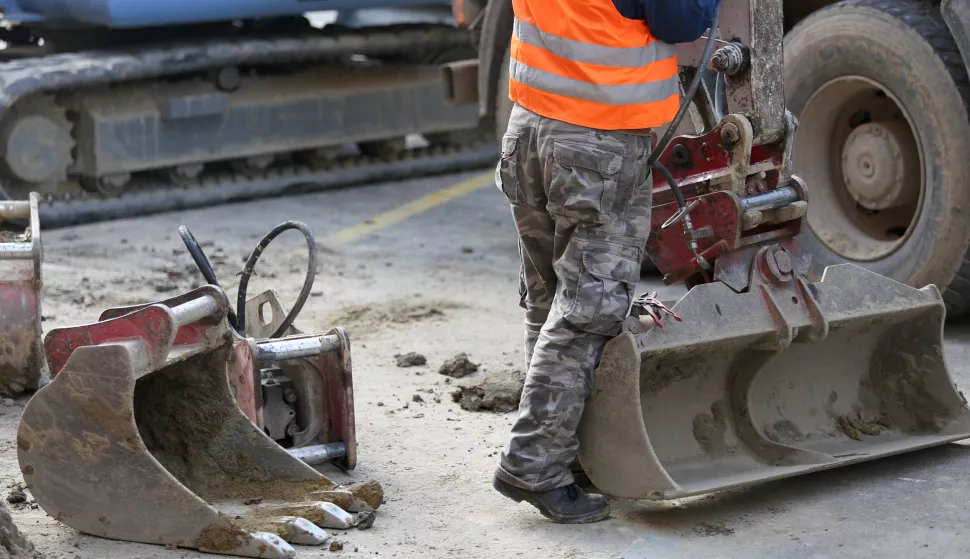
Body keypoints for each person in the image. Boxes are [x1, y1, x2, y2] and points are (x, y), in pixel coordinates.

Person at [492, 0, 719, 524]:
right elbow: (681, 19)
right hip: (596, 144)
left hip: (529, 130)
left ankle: (566, 452)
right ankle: (536, 465)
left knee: (548, 299)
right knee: (586, 312)